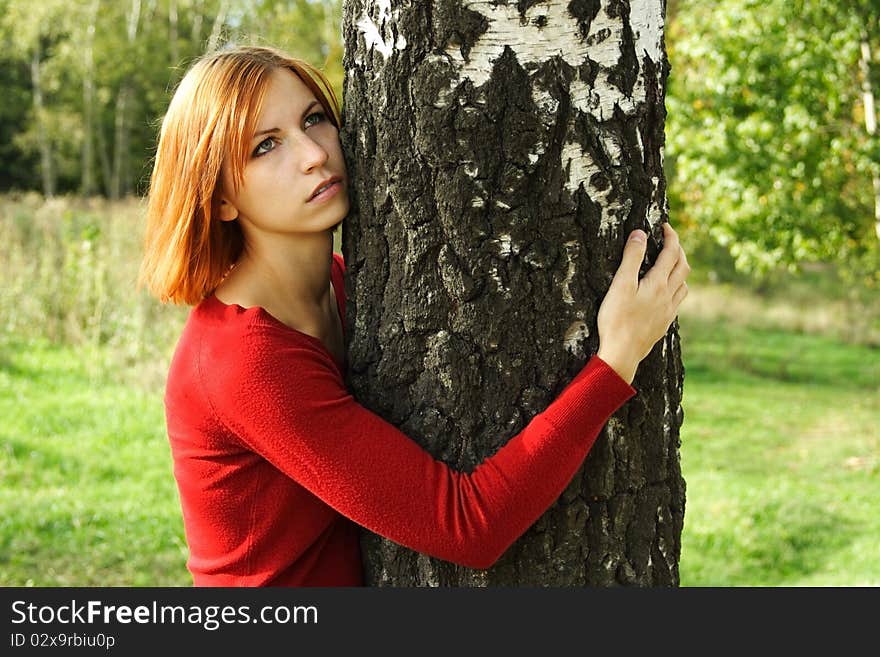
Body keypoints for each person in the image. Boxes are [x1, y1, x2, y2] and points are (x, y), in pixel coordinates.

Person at [140, 46, 690, 586]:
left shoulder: (341, 284)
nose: (313, 154)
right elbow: (468, 526)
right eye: (266, 146)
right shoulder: (245, 361)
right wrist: (616, 359)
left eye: (314, 119)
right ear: (218, 200)